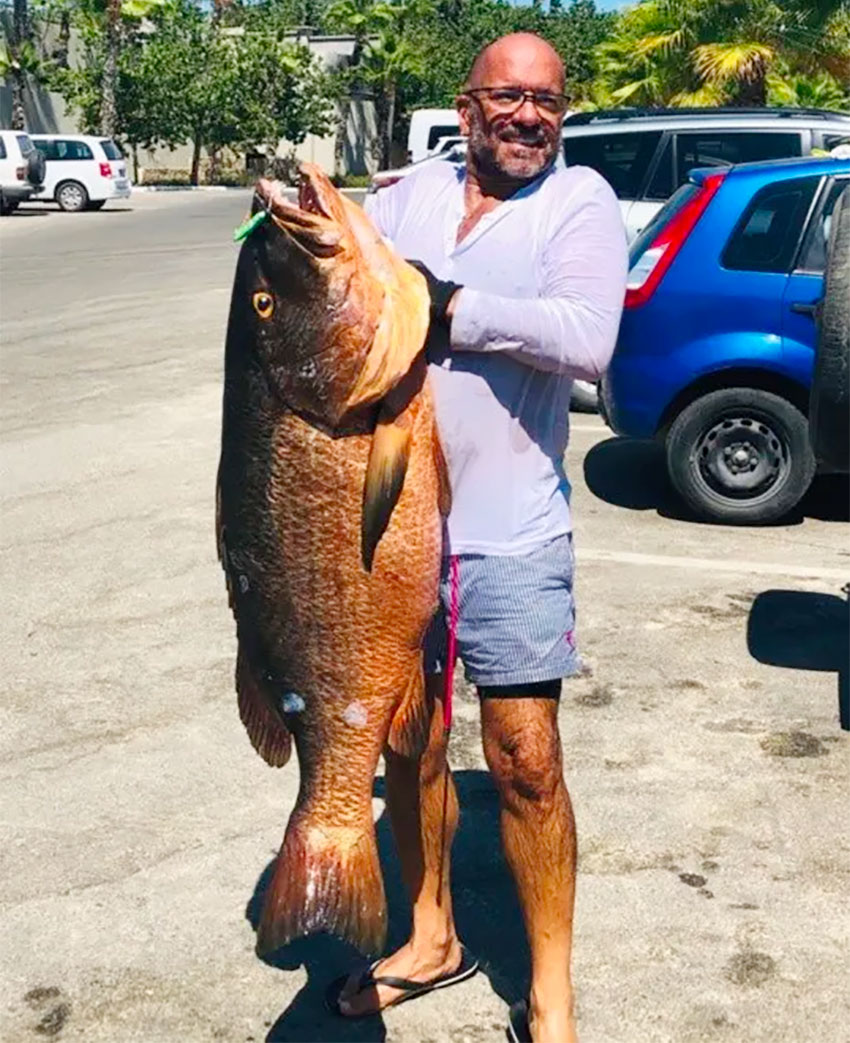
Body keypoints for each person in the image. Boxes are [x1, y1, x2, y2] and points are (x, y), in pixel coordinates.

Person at [328, 31, 628, 1043]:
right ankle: (430, 933)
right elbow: (341, 287)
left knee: (524, 760)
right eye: (508, 96)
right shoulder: (406, 196)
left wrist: (447, 308)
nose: (528, 116)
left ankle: (548, 988)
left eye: (546, 100)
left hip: (512, 530)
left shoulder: (575, 200)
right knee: (408, 743)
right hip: (392, 526)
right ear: (468, 106)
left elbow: (586, 338)